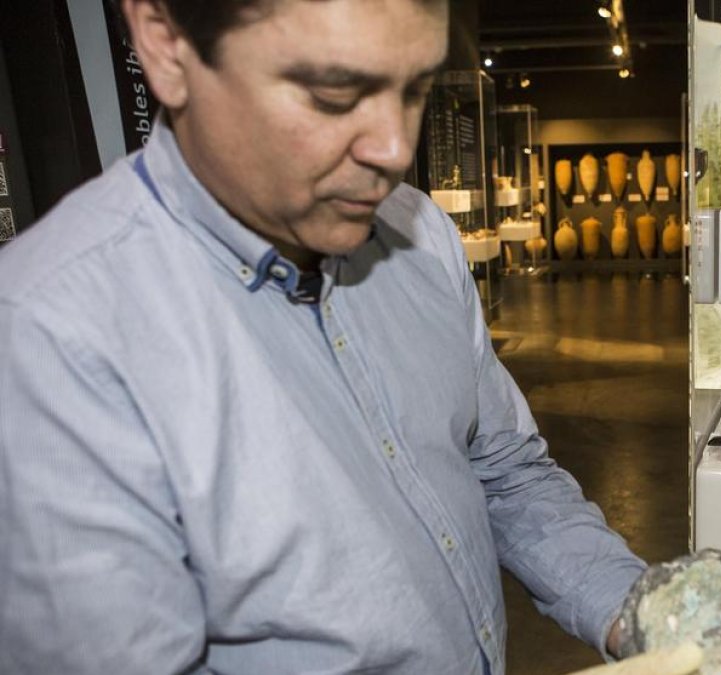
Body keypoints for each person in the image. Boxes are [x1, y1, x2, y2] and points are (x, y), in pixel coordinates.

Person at [0, 0, 647, 672]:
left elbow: (507, 473)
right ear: (165, 45)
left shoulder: (419, 235)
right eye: (335, 96)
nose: (395, 151)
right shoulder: (51, 341)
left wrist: (647, 615)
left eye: (415, 91)